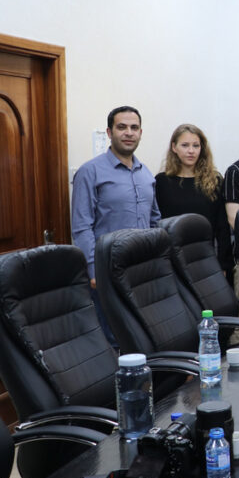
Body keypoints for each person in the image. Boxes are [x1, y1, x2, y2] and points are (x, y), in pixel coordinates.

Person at [71, 105, 160, 343]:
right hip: (107, 273)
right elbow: (81, 227)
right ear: (110, 132)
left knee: (143, 337)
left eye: (134, 128)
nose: (128, 133)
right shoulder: (90, 172)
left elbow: (155, 221)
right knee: (115, 341)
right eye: (122, 127)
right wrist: (94, 270)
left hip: (141, 271)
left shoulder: (145, 173)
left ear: (141, 133)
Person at [155, 123, 233, 279]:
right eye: (185, 145)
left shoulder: (215, 180)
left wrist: (223, 265)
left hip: (206, 258)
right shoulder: (161, 182)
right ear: (174, 147)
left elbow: (222, 228)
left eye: (196, 146)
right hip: (172, 262)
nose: (191, 151)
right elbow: (157, 227)